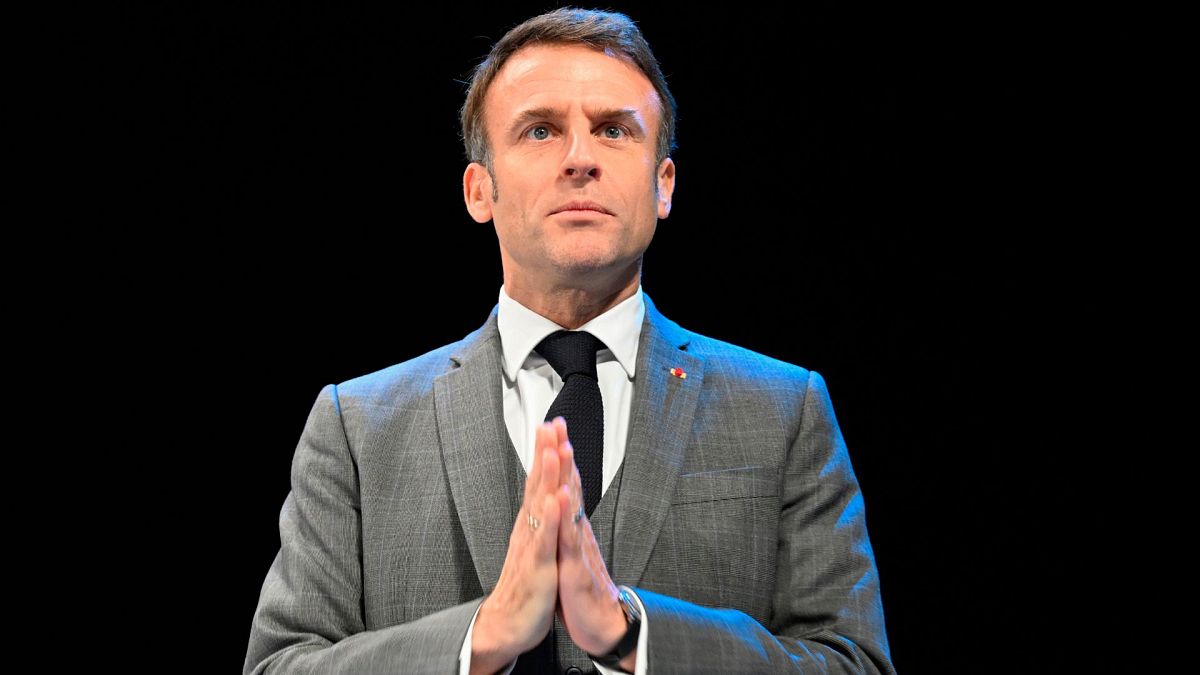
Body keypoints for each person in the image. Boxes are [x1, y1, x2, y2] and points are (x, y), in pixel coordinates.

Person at [244, 7, 894, 674]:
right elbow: (279, 664)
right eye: (541, 130)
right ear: (480, 189)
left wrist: (632, 634)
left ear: (663, 185)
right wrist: (480, 637)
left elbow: (854, 662)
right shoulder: (356, 426)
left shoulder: (784, 411)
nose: (580, 158)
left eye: (613, 130)